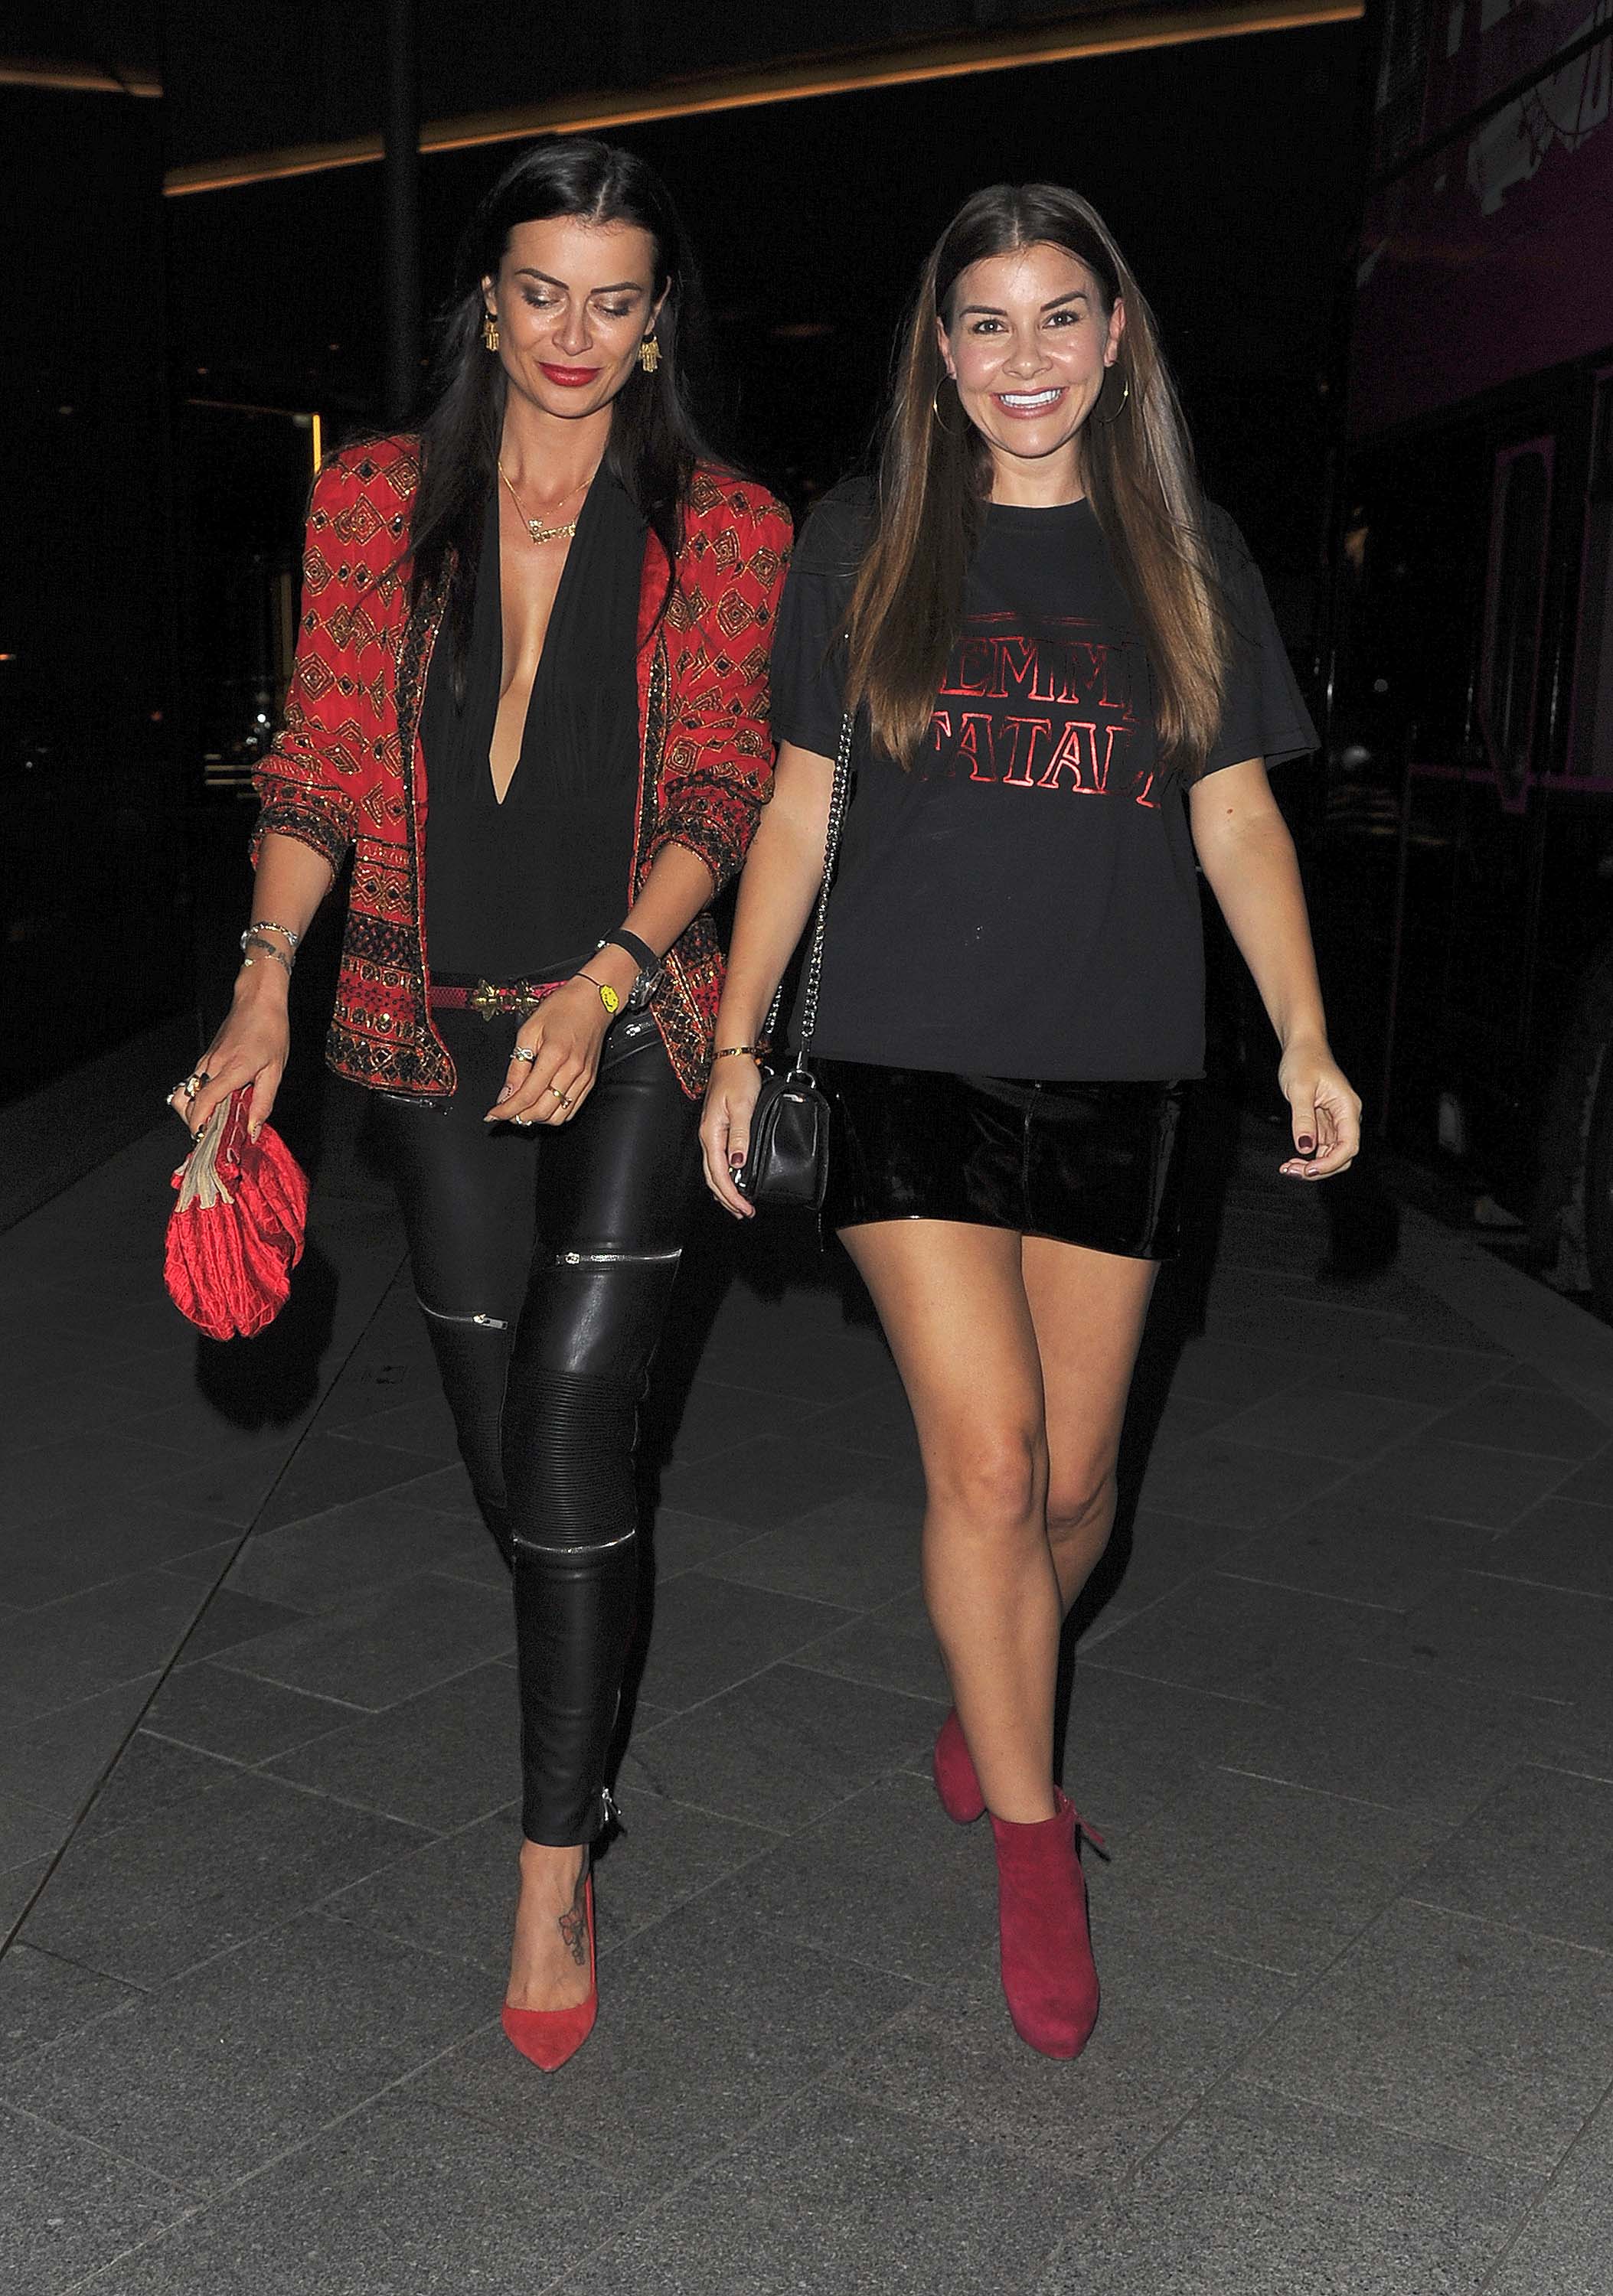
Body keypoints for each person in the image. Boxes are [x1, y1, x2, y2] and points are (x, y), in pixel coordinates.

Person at [700, 182, 1359, 2061]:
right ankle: (1028, 1835)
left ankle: (987, 1689)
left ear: (1114, 336)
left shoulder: (1188, 549)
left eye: (1058, 315)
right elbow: (800, 806)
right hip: (904, 1061)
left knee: (1074, 1495)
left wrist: (1305, 1039)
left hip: (1124, 1065)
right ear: (939, 349)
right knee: (988, 1471)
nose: (1023, 357)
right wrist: (736, 1041)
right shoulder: (865, 537)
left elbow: (1234, 814)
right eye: (984, 321)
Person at [172, 137, 789, 2072]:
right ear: (488, 304)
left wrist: (607, 979)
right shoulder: (374, 501)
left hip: (635, 1012)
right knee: (515, 1463)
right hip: (428, 1031)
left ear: (659, 317)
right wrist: (263, 983)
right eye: (541, 293)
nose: (574, 335)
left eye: (615, 300)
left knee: (574, 1419)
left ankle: (548, 1862)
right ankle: (579, 1697)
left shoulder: (727, 526)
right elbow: (320, 770)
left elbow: (722, 788)